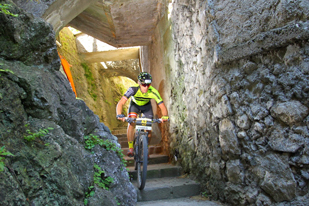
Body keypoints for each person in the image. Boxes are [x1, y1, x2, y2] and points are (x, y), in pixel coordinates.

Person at [116, 72, 169, 157]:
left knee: (148, 128)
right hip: (134, 106)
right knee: (132, 122)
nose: (146, 87)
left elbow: (162, 106)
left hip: (146, 107)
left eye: (148, 85)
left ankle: (146, 148)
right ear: (139, 83)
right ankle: (130, 148)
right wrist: (119, 114)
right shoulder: (133, 89)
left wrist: (165, 116)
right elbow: (121, 102)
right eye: (143, 84)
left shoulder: (153, 91)